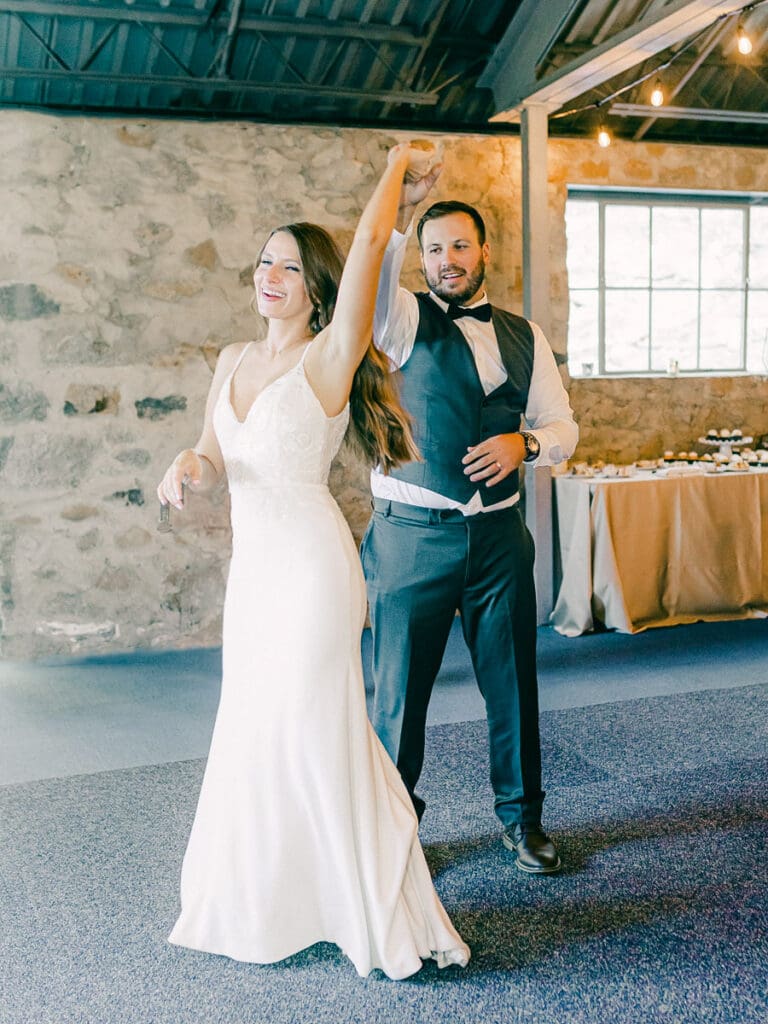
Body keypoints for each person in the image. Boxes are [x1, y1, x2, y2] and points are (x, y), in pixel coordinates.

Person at [157, 143, 469, 980]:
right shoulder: (230, 362)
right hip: (253, 577)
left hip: (312, 574)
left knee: (312, 725)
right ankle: (277, 898)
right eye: (264, 263)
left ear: (316, 289)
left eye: (290, 268)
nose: (270, 277)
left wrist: (396, 175)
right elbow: (211, 457)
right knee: (258, 728)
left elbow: (369, 252)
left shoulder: (330, 356)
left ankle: (360, 896)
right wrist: (188, 469)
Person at [361, 172, 578, 876]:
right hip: (411, 539)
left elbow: (562, 424)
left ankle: (523, 821)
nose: (446, 259)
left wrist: (529, 445)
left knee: (514, 684)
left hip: (498, 541)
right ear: (419, 259)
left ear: (483, 252)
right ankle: (393, 831)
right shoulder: (397, 320)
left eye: (459, 245)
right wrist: (399, 208)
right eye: (432, 249)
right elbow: (372, 280)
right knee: (398, 693)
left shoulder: (523, 335)